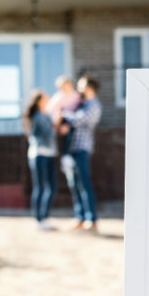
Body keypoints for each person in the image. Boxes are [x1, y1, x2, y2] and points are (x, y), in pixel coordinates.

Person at [61, 76, 102, 232]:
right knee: (74, 184)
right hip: (73, 148)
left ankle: (91, 219)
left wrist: (64, 112)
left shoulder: (94, 105)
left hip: (82, 148)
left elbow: (79, 120)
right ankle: (80, 217)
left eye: (81, 86)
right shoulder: (82, 104)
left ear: (89, 87)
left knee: (84, 183)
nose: (78, 89)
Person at [23, 90, 58, 231]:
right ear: (39, 101)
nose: (48, 99)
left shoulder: (46, 115)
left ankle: (45, 216)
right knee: (41, 187)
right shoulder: (37, 116)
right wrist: (58, 123)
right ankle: (39, 219)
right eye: (45, 97)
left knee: (52, 187)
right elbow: (49, 134)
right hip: (39, 154)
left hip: (49, 154)